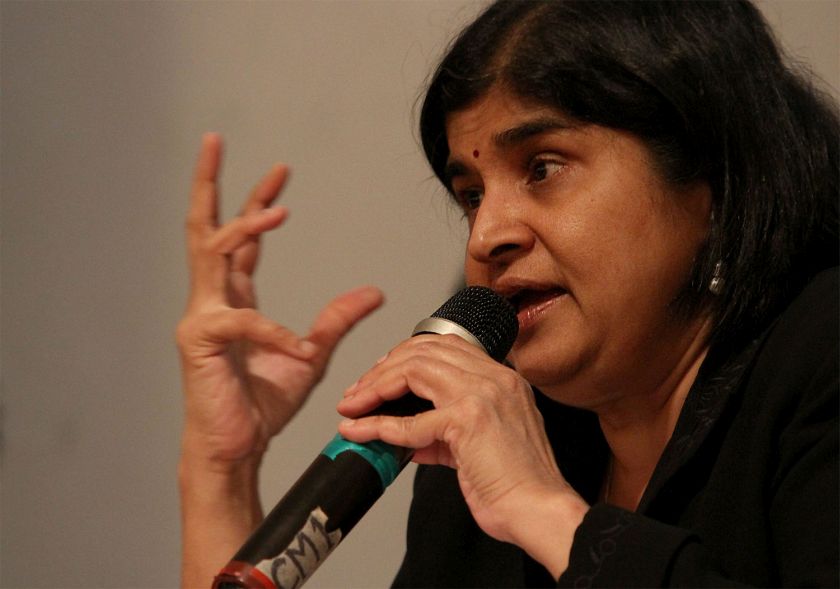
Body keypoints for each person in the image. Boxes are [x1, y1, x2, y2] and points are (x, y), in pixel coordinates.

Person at [177, 1, 838, 587]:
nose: (485, 235)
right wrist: (222, 468)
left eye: (542, 168)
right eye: (471, 195)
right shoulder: (494, 419)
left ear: (710, 185)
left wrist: (544, 510)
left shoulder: (821, 357)